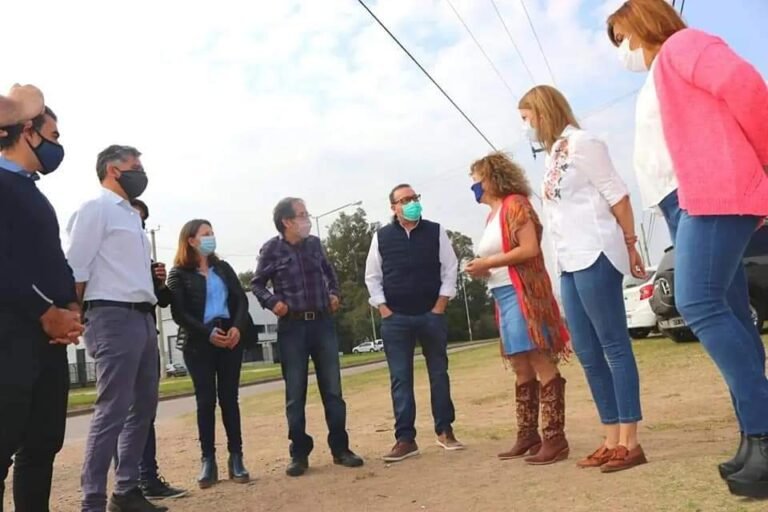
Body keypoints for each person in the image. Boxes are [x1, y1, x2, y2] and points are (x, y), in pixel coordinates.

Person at [607, 0, 768, 497]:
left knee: (698, 301)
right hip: (684, 202)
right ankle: (752, 436)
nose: (621, 51)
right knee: (734, 313)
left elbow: (748, 89)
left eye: (621, 38)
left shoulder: (684, 44)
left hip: (712, 193)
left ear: (641, 24)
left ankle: (764, 432)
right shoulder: (659, 74)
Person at [519, 85, 648, 473]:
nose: (525, 127)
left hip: (596, 251)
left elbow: (618, 196)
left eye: (527, 118)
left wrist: (630, 244)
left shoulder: (583, 143)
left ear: (544, 112)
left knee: (613, 346)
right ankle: (610, 438)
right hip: (568, 262)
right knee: (588, 353)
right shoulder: (552, 154)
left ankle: (631, 440)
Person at [67, 145, 166, 512]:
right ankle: (91, 499)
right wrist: (74, 313)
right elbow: (76, 265)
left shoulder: (131, 219)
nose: (141, 171)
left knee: (143, 407)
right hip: (111, 315)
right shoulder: (97, 208)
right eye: (134, 165)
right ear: (113, 169)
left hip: (142, 316)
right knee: (113, 409)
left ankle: (125, 490)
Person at [0, 102, 84, 511]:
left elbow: (53, 258)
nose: (57, 146)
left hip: (49, 344)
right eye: (53, 136)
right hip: (10, 340)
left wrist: (70, 306)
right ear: (27, 131)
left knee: (41, 446)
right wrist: (44, 312)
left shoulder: (35, 193)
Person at [465, 153, 571, 465]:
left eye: (476, 181)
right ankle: (528, 434)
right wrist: (484, 270)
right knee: (520, 364)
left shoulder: (516, 204)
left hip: (522, 292)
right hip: (501, 292)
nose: (474, 188)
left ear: (491, 178)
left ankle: (555, 437)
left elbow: (529, 248)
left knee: (538, 357)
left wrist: (488, 263)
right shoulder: (492, 214)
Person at [251, 197, 364, 477]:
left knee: (333, 391)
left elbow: (330, 273)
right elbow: (256, 284)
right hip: (292, 327)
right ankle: (299, 453)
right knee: (295, 394)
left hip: (322, 323)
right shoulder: (271, 249)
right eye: (301, 215)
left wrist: (335, 294)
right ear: (287, 221)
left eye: (306, 214)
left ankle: (341, 448)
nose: (307, 219)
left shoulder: (314, 244)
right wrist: (272, 301)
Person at [364, 184, 463, 463]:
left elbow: (450, 267)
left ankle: (445, 431)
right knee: (400, 379)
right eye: (405, 200)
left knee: (439, 374)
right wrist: (383, 308)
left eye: (414, 198)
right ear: (393, 207)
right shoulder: (381, 237)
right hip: (395, 319)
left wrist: (441, 304)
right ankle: (405, 439)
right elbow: (372, 276)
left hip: (431, 315)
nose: (412, 203)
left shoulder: (435, 231)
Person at [167, 219, 251, 489]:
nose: (211, 237)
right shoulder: (178, 273)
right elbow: (179, 313)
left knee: (230, 398)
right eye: (205, 234)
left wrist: (237, 326)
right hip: (199, 342)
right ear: (191, 240)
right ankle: (208, 460)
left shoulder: (223, 268)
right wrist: (207, 333)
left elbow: (241, 299)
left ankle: (236, 457)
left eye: (212, 233)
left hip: (230, 338)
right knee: (205, 401)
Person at [127, 199, 188, 500]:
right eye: (134, 217)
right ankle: (127, 486)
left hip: (147, 331)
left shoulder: (145, 257)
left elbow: (162, 301)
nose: (138, 224)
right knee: (122, 412)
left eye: (143, 220)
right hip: (120, 334)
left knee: (145, 411)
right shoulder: (111, 255)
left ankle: (148, 478)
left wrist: (159, 283)